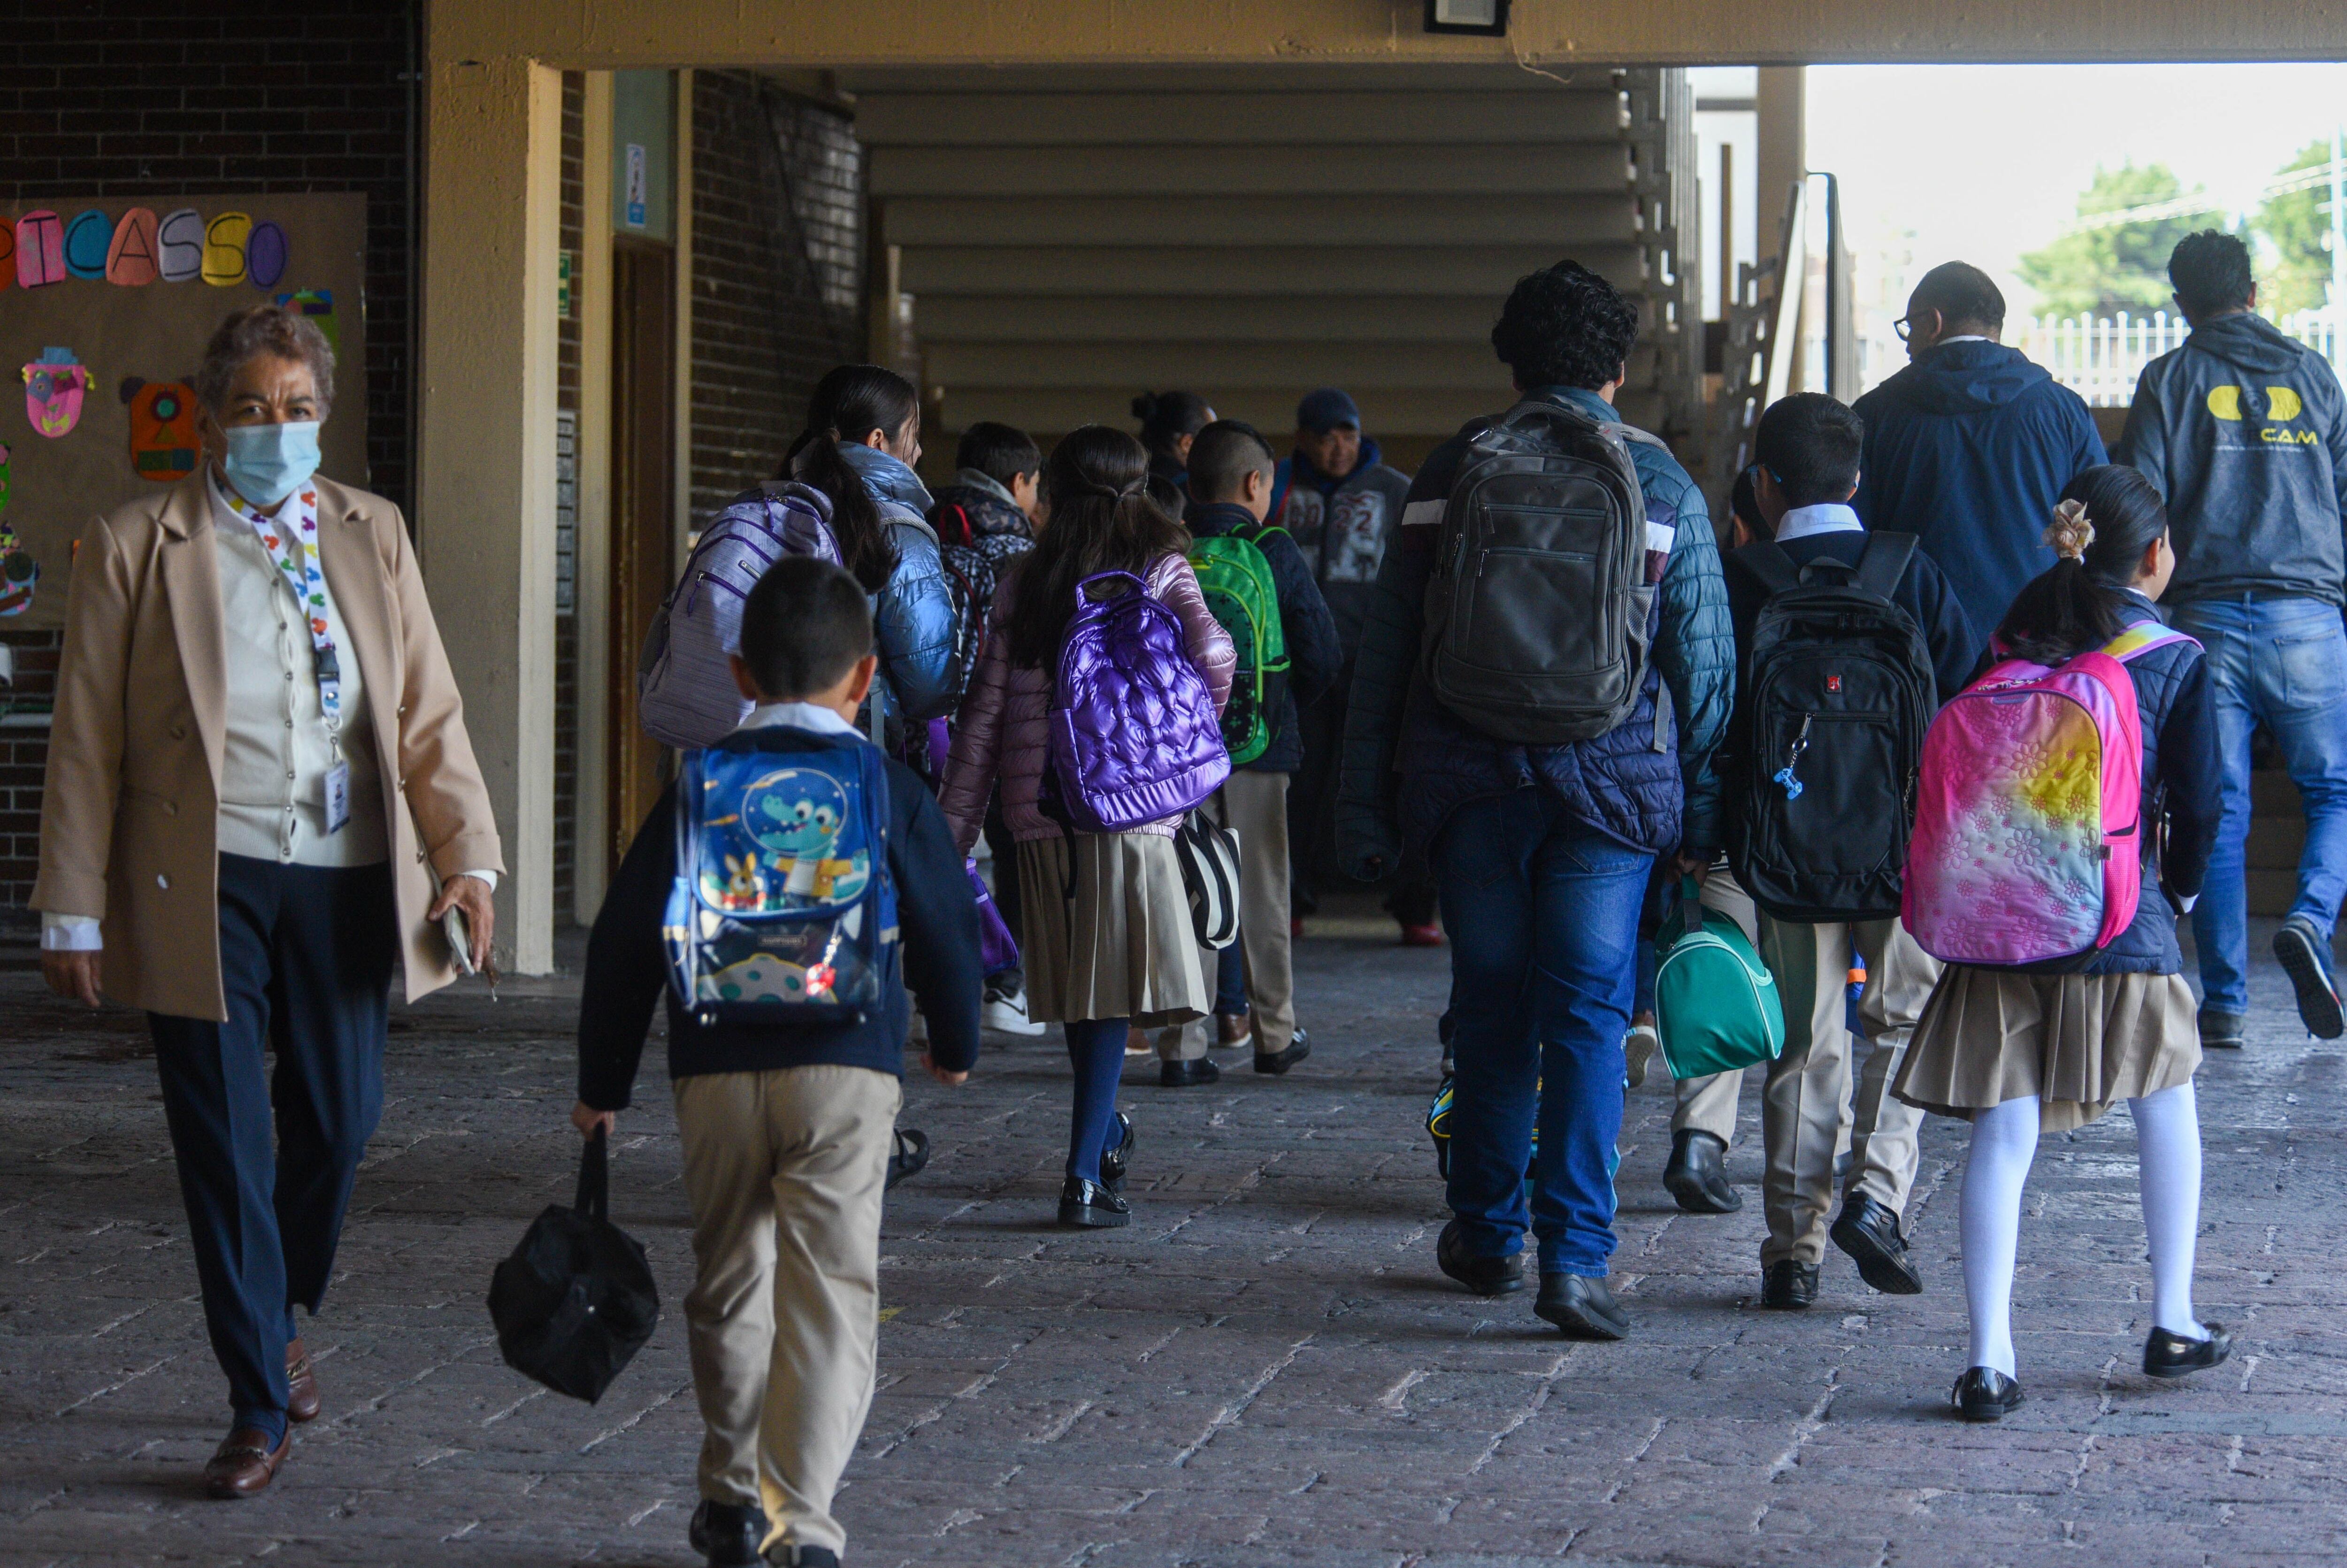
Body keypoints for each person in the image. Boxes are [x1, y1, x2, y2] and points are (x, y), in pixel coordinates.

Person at [33, 304, 502, 1498]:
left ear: (322, 417)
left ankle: (279, 1300)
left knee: (341, 1118)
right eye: (252, 408)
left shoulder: (371, 530)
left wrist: (468, 858)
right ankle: (255, 1393)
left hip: (345, 872)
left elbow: (426, 712)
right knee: (225, 1142)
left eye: (298, 410)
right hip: (203, 876)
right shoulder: (139, 541)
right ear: (207, 417)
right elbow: (83, 740)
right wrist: (71, 904)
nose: (277, 430)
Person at [1337, 259, 1734, 1340]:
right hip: (1609, 791)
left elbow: (1385, 655)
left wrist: (1366, 806)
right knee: (1591, 1016)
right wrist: (1703, 817)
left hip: (1469, 780)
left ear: (1510, 361)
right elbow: (1704, 666)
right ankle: (1577, 1259)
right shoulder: (1660, 484)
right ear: (1618, 364)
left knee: (1491, 1005)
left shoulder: (1449, 472)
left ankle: (1483, 1230)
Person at [575, 556, 981, 1568]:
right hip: (846, 1066)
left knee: (730, 1277)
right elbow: (943, 922)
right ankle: (802, 1520)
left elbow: (625, 939)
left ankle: (727, 1492)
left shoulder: (698, 783)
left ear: (740, 671)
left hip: (713, 1067)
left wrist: (602, 1084)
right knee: (831, 1285)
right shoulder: (883, 785)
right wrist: (956, 1043)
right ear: (867, 677)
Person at [1893, 465, 2227, 1421]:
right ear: (2155, 554)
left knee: (2004, 1130)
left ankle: (1988, 1358)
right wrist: (2182, 893)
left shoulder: (2014, 633)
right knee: (2165, 1098)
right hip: (2119, 920)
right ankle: (2172, 1318)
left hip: (1997, 919)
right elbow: (2199, 805)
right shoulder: (2171, 658)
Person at [1679, 393, 1977, 1309]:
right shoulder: (1911, 572)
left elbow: (1711, 718)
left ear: (1763, 485)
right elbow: (1963, 701)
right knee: (1899, 1025)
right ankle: (1877, 1196)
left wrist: (1702, 838)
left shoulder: (1742, 578)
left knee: (1803, 1045)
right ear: (1857, 480)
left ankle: (1790, 1249)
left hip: (1781, 849)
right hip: (1902, 848)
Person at [937, 427, 1234, 1227]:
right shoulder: (1160, 570)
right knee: (1104, 996)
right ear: (1138, 490)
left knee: (1080, 989)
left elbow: (985, 714)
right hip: (1127, 807)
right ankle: (1084, 1177)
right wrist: (1180, 739)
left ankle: (1101, 1136)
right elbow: (1215, 653)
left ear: (1058, 494)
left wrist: (955, 828)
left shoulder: (1025, 580)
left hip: (1037, 812)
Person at [2119, 230, 2347, 1048]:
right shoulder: (2315, 375)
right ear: (2252, 293)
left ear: (2182, 304)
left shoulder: (2170, 378)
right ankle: (2312, 921)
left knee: (2219, 809)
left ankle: (2224, 1003)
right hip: (2309, 615)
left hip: (2207, 619)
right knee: (2335, 791)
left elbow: (2139, 502)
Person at [640, 365, 959, 753]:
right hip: (850, 759)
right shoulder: (900, 532)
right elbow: (928, 686)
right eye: (914, 435)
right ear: (878, 440)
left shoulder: (761, 506)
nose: (920, 451)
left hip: (739, 752)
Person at [1156, 419, 1340, 1082]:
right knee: (1262, 890)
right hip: (1260, 751)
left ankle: (1183, 1046)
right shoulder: (1273, 549)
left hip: (1177, 758)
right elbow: (1323, 654)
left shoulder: (1166, 547)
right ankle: (1274, 1034)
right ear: (1255, 482)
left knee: (1189, 893)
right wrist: (1279, 708)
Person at [1852, 261, 2105, 641]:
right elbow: (2103, 518)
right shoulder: (2062, 410)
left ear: (1933, 322)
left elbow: (1856, 531)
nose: (1906, 342)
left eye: (1909, 326)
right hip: (2035, 637)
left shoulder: (1874, 414)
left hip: (1913, 639)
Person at [1267, 387, 1432, 944]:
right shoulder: (1280, 489)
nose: (1338, 448)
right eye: (1325, 437)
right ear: (1302, 440)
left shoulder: (1392, 491)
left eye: (1348, 435)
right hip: (1301, 662)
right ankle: (1289, 899)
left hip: (1373, 656)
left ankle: (1412, 905)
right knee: (1300, 784)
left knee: (1392, 775)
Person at [928, 421, 1048, 1036]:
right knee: (1010, 848)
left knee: (936, 855)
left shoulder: (923, 526)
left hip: (925, 720)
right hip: (995, 725)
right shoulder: (1016, 549)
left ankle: (931, 992)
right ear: (1018, 481)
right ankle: (1007, 986)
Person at [1132, 390, 1215, 514]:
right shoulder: (1196, 492)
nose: (1215, 449)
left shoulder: (1130, 480)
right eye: (1212, 440)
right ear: (1187, 444)